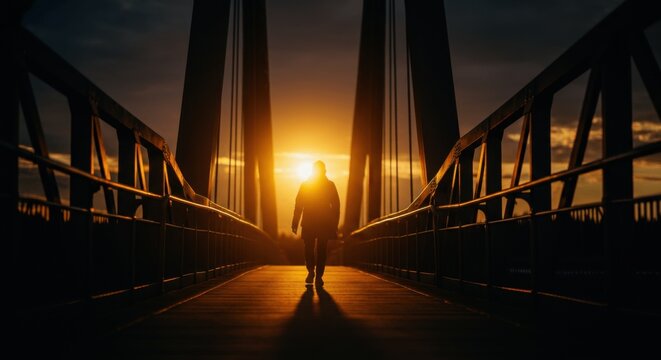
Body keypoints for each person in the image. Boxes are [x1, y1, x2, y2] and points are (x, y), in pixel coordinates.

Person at [291, 160, 340, 286]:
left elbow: (299, 205)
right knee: (321, 249)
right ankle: (317, 275)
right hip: (324, 222)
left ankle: (312, 272)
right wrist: (334, 224)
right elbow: (336, 206)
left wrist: (295, 223)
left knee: (309, 247)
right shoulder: (330, 185)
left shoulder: (306, 184)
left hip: (310, 221)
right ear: (324, 171)